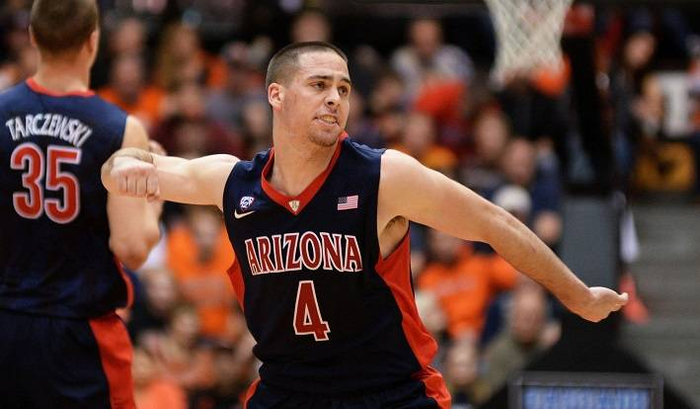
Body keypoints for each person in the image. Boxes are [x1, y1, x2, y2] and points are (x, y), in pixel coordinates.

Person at [102, 41, 628, 408]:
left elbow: (493, 222)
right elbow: (125, 166)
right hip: (288, 391)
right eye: (319, 85)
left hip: (388, 393)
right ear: (276, 95)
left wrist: (576, 294)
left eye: (344, 88)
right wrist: (122, 165)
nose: (335, 98)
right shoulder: (231, 182)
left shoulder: (384, 176)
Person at [0, 1, 161, 407]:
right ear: (93, 40)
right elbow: (132, 248)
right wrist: (154, 203)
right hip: (80, 335)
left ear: (33, 37)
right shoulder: (119, 128)